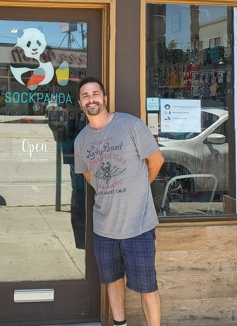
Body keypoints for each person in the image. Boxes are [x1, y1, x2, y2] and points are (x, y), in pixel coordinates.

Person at [74, 77, 164, 326]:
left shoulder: (131, 125)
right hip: (105, 227)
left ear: (104, 98)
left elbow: (156, 161)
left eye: (95, 94)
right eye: (85, 96)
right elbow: (89, 176)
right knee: (112, 281)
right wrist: (112, 189)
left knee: (147, 286)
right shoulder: (81, 141)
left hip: (139, 224)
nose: (91, 99)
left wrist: (137, 188)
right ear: (81, 103)